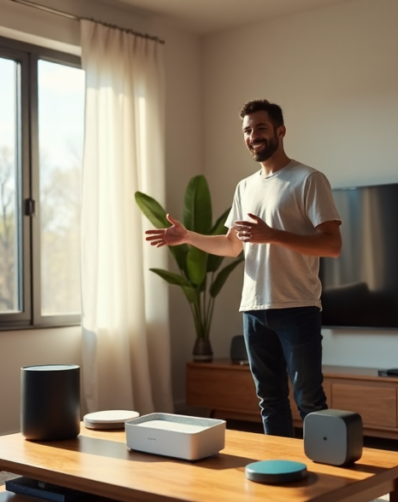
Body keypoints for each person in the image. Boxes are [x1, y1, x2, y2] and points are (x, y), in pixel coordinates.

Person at [145, 99, 342, 437]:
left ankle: (326, 481)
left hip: (297, 307)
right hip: (253, 310)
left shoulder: (308, 179)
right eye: (248, 130)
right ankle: (281, 476)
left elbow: (331, 245)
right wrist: (189, 237)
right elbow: (232, 245)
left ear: (280, 131)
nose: (253, 136)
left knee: (309, 400)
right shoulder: (244, 187)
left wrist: (272, 235)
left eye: (261, 128)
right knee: (270, 400)